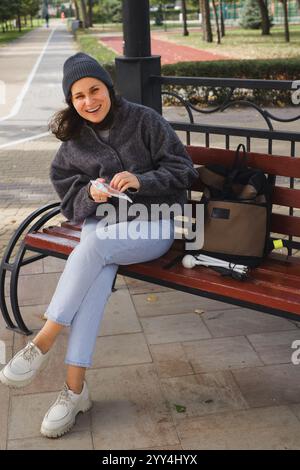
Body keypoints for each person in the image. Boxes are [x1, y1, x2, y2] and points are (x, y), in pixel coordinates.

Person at [0, 53, 199, 438]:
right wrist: (91, 193)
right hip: (102, 226)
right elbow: (67, 195)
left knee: (91, 250)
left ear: (108, 88)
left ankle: (43, 342)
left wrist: (142, 181)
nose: (89, 101)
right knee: (95, 271)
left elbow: (184, 170)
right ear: (71, 102)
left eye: (95, 90)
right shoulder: (75, 140)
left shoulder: (144, 120)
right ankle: (75, 390)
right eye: (79, 96)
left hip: (151, 226)